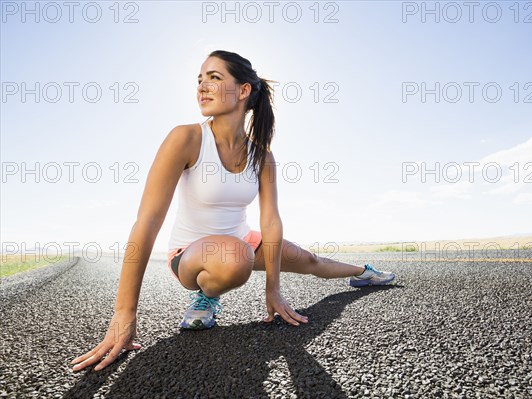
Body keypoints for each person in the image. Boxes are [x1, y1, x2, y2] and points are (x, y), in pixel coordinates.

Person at [69, 50, 395, 372]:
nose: (202, 86)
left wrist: (274, 289)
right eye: (199, 79)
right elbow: (147, 221)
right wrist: (125, 313)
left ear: (242, 91)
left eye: (214, 78)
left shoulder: (261, 156)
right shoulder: (185, 138)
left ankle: (362, 272)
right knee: (236, 256)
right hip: (190, 255)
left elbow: (271, 220)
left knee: (309, 260)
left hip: (242, 243)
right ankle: (207, 298)